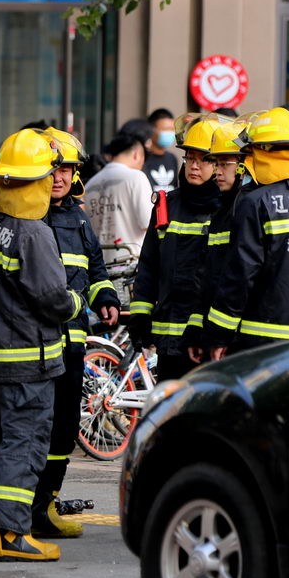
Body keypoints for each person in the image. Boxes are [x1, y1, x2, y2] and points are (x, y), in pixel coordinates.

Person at [0, 128, 84, 562]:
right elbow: (53, 299)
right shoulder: (32, 234)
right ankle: (13, 536)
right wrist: (77, 302)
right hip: (27, 363)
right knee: (24, 443)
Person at [31, 127, 120, 539]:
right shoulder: (26, 215)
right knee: (30, 427)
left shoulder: (78, 217)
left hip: (71, 342)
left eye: (67, 169)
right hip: (31, 344)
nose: (61, 177)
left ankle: (46, 503)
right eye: (54, 169)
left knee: (64, 427)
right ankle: (23, 508)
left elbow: (96, 269)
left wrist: (106, 298)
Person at [203, 107, 289, 358]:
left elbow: (240, 276)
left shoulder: (254, 202)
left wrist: (219, 336)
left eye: (249, 153)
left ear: (263, 152)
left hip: (259, 344)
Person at [129, 115, 223, 380]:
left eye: (203, 159)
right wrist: (140, 316)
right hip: (168, 338)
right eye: (190, 158)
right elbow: (148, 265)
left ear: (217, 165)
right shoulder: (167, 205)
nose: (194, 166)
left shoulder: (226, 210)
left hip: (206, 339)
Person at [182, 120, 248, 364]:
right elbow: (209, 277)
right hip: (216, 336)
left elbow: (237, 280)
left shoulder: (245, 209)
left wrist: (220, 336)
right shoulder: (223, 211)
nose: (218, 171)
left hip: (238, 340)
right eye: (216, 163)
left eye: (222, 164)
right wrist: (198, 331)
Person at [83, 133, 153, 263]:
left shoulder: (90, 184)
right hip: (130, 265)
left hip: (98, 266)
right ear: (137, 154)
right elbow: (148, 223)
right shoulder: (136, 177)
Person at [143, 108, 180, 192]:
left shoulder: (172, 158)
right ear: (151, 130)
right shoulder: (142, 158)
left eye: (172, 129)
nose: (170, 133)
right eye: (165, 129)